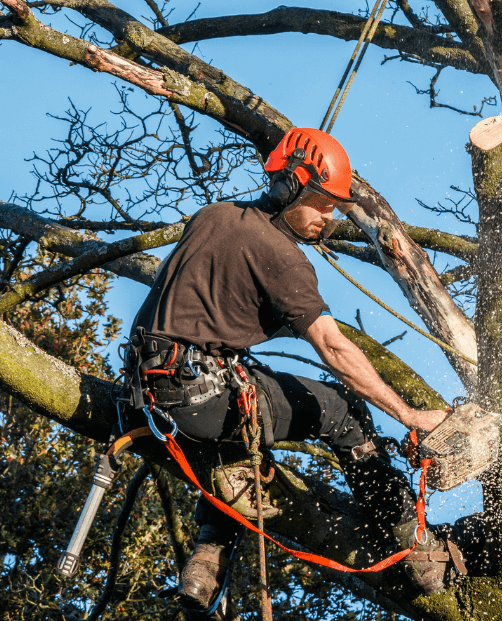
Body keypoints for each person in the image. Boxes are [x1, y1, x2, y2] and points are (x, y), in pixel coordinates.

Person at [125, 128, 467, 618]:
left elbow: (202, 304)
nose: (328, 219)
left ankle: (206, 560)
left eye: (334, 208)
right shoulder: (281, 257)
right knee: (342, 409)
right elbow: (332, 345)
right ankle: (416, 549)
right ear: (289, 188)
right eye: (322, 204)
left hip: (146, 395)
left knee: (241, 437)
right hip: (200, 399)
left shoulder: (213, 217)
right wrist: (408, 414)